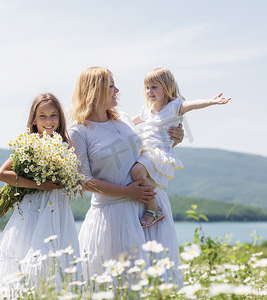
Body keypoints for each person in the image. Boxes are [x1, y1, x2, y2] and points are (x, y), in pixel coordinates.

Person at [69, 67, 184, 287]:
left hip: (150, 210)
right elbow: (82, 181)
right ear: (95, 91)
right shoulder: (79, 131)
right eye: (111, 86)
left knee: (158, 283)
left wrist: (175, 138)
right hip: (114, 215)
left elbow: (147, 148)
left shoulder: (123, 119)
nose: (117, 90)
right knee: (119, 284)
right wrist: (127, 192)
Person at [0, 93, 81, 297]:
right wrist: (39, 184)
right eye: (42, 116)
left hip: (58, 209)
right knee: (31, 257)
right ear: (34, 120)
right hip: (34, 208)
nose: (49, 121)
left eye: (53, 116)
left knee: (57, 260)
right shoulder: (30, 144)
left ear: (60, 118)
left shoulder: (67, 145)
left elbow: (75, 177)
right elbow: (2, 174)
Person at [131, 68, 231, 228]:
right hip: (145, 149)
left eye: (154, 87)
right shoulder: (147, 110)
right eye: (147, 87)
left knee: (137, 172)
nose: (150, 91)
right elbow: (130, 121)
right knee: (138, 174)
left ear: (167, 87)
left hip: (159, 151)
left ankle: (153, 209)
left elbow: (191, 105)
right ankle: (149, 206)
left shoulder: (173, 106)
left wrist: (210, 101)